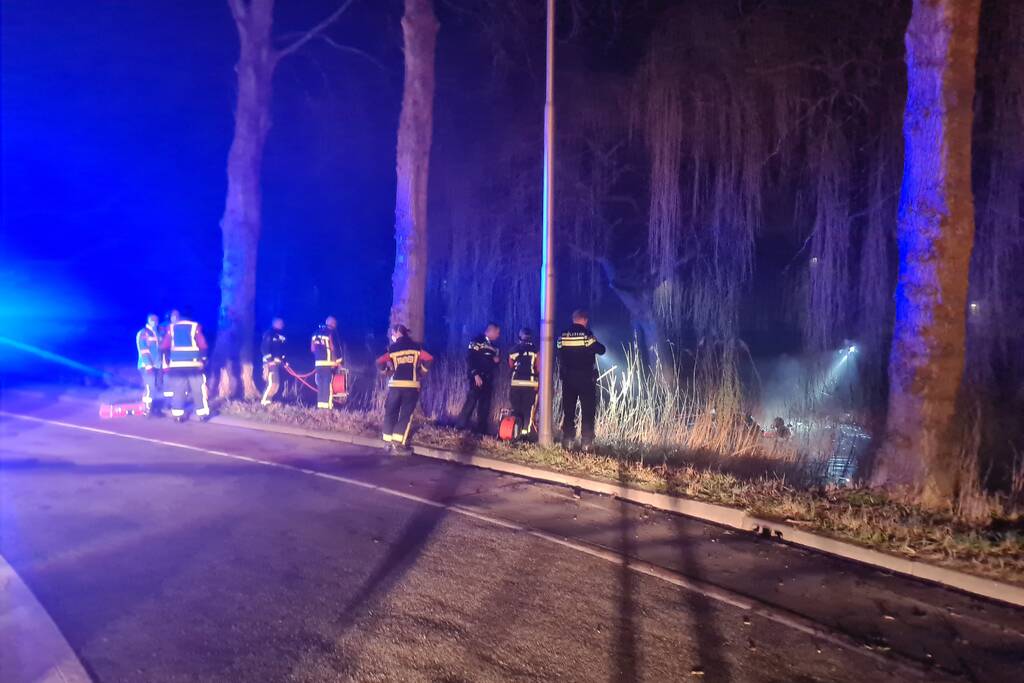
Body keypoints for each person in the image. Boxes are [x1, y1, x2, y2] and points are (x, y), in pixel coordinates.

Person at [376, 323, 433, 452]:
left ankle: (387, 442)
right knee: (405, 415)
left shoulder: (392, 348)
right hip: (411, 385)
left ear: (398, 332)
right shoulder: (416, 347)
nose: (392, 336)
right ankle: (398, 443)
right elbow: (429, 358)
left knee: (391, 411)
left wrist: (386, 371)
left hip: (395, 386)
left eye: (393, 333)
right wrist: (421, 372)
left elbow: (379, 361)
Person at [557, 309, 606, 451]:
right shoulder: (587, 336)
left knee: (569, 410)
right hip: (585, 378)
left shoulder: (563, 335)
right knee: (588, 410)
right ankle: (586, 443)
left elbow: (559, 349)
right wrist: (594, 341)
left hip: (568, 378)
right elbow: (601, 350)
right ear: (585, 320)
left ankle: (567, 440)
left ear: (573, 319)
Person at [160, 313, 210, 422]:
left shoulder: (172, 328)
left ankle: (178, 415)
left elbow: (164, 346)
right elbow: (202, 345)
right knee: (198, 389)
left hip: (176, 365)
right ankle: (202, 414)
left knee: (178, 390)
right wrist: (204, 359)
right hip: (193, 365)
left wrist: (167, 361)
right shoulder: (195, 326)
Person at [457, 322, 500, 433]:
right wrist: (475, 374)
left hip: (488, 378)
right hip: (477, 376)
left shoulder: (494, 347)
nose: (498, 335)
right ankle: (460, 426)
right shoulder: (477, 341)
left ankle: (481, 430)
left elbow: (493, 363)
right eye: (497, 332)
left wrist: (496, 361)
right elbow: (470, 358)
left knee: (485, 405)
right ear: (491, 330)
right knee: (471, 401)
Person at [507, 327, 539, 439]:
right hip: (530, 383)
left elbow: (510, 364)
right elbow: (538, 366)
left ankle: (514, 432)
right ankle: (526, 434)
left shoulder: (513, 350)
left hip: (516, 383)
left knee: (516, 408)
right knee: (528, 410)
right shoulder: (535, 350)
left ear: (519, 337)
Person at [310, 316, 342, 410]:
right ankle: (328, 407)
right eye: (335, 323)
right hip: (328, 363)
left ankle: (321, 407)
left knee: (320, 386)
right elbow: (333, 347)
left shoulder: (315, 333)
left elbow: (312, 349)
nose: (335, 325)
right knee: (327, 385)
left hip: (318, 363)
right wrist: (339, 362)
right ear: (332, 323)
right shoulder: (331, 333)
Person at [135, 313, 162, 415]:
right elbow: (144, 350)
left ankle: (151, 407)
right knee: (150, 387)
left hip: (156, 365)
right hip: (146, 366)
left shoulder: (156, 333)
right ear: (148, 321)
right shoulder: (144, 333)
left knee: (153, 386)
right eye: (153, 320)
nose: (155, 322)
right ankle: (147, 409)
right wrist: (148, 365)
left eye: (156, 320)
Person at [260, 317, 286, 406]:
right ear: (274, 323)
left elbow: (282, 350)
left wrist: (284, 361)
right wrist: (270, 360)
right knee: (272, 383)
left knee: (277, 384)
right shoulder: (269, 334)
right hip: (270, 363)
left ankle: (270, 401)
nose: (281, 325)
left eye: (282, 323)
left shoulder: (281, 336)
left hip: (279, 364)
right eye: (279, 323)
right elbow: (264, 348)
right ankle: (265, 402)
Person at [159, 309, 180, 400]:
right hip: (168, 355)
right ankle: (168, 399)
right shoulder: (165, 326)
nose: (174, 318)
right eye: (173, 316)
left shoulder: (181, 327)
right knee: (167, 375)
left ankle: (177, 397)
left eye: (175, 316)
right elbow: (162, 341)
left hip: (177, 356)